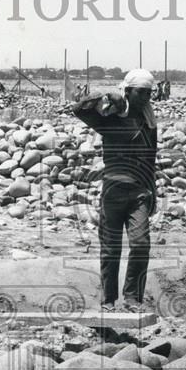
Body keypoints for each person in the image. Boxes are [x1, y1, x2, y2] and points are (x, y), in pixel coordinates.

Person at [71, 68, 158, 311]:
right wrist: (105, 94)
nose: (146, 98)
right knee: (111, 249)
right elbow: (78, 108)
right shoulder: (111, 118)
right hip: (113, 191)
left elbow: (151, 158)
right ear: (128, 92)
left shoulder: (149, 122)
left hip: (140, 192)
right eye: (141, 92)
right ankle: (108, 301)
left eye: (149, 93)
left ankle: (132, 298)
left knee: (140, 245)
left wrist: (154, 192)